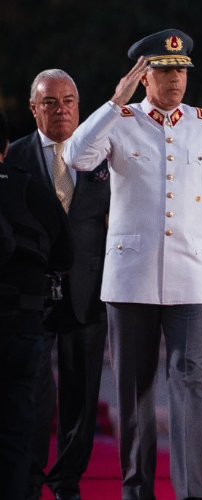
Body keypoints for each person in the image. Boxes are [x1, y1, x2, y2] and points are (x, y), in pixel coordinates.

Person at [64, 29, 202, 500]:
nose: (176, 80)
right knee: (134, 391)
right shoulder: (119, 122)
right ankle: (137, 490)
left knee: (191, 385)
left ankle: (192, 493)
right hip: (131, 275)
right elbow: (76, 156)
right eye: (165, 71)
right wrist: (113, 102)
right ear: (145, 77)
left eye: (181, 71)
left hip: (191, 275)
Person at [10, 69, 110, 500]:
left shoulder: (104, 155)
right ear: (34, 108)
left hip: (88, 293)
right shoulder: (13, 157)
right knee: (30, 391)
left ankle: (67, 481)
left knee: (82, 394)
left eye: (69, 100)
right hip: (27, 296)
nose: (62, 109)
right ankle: (28, 479)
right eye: (50, 102)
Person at [2, 111, 74, 500]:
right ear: (5, 150)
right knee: (20, 413)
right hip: (25, 318)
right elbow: (64, 251)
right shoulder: (28, 187)